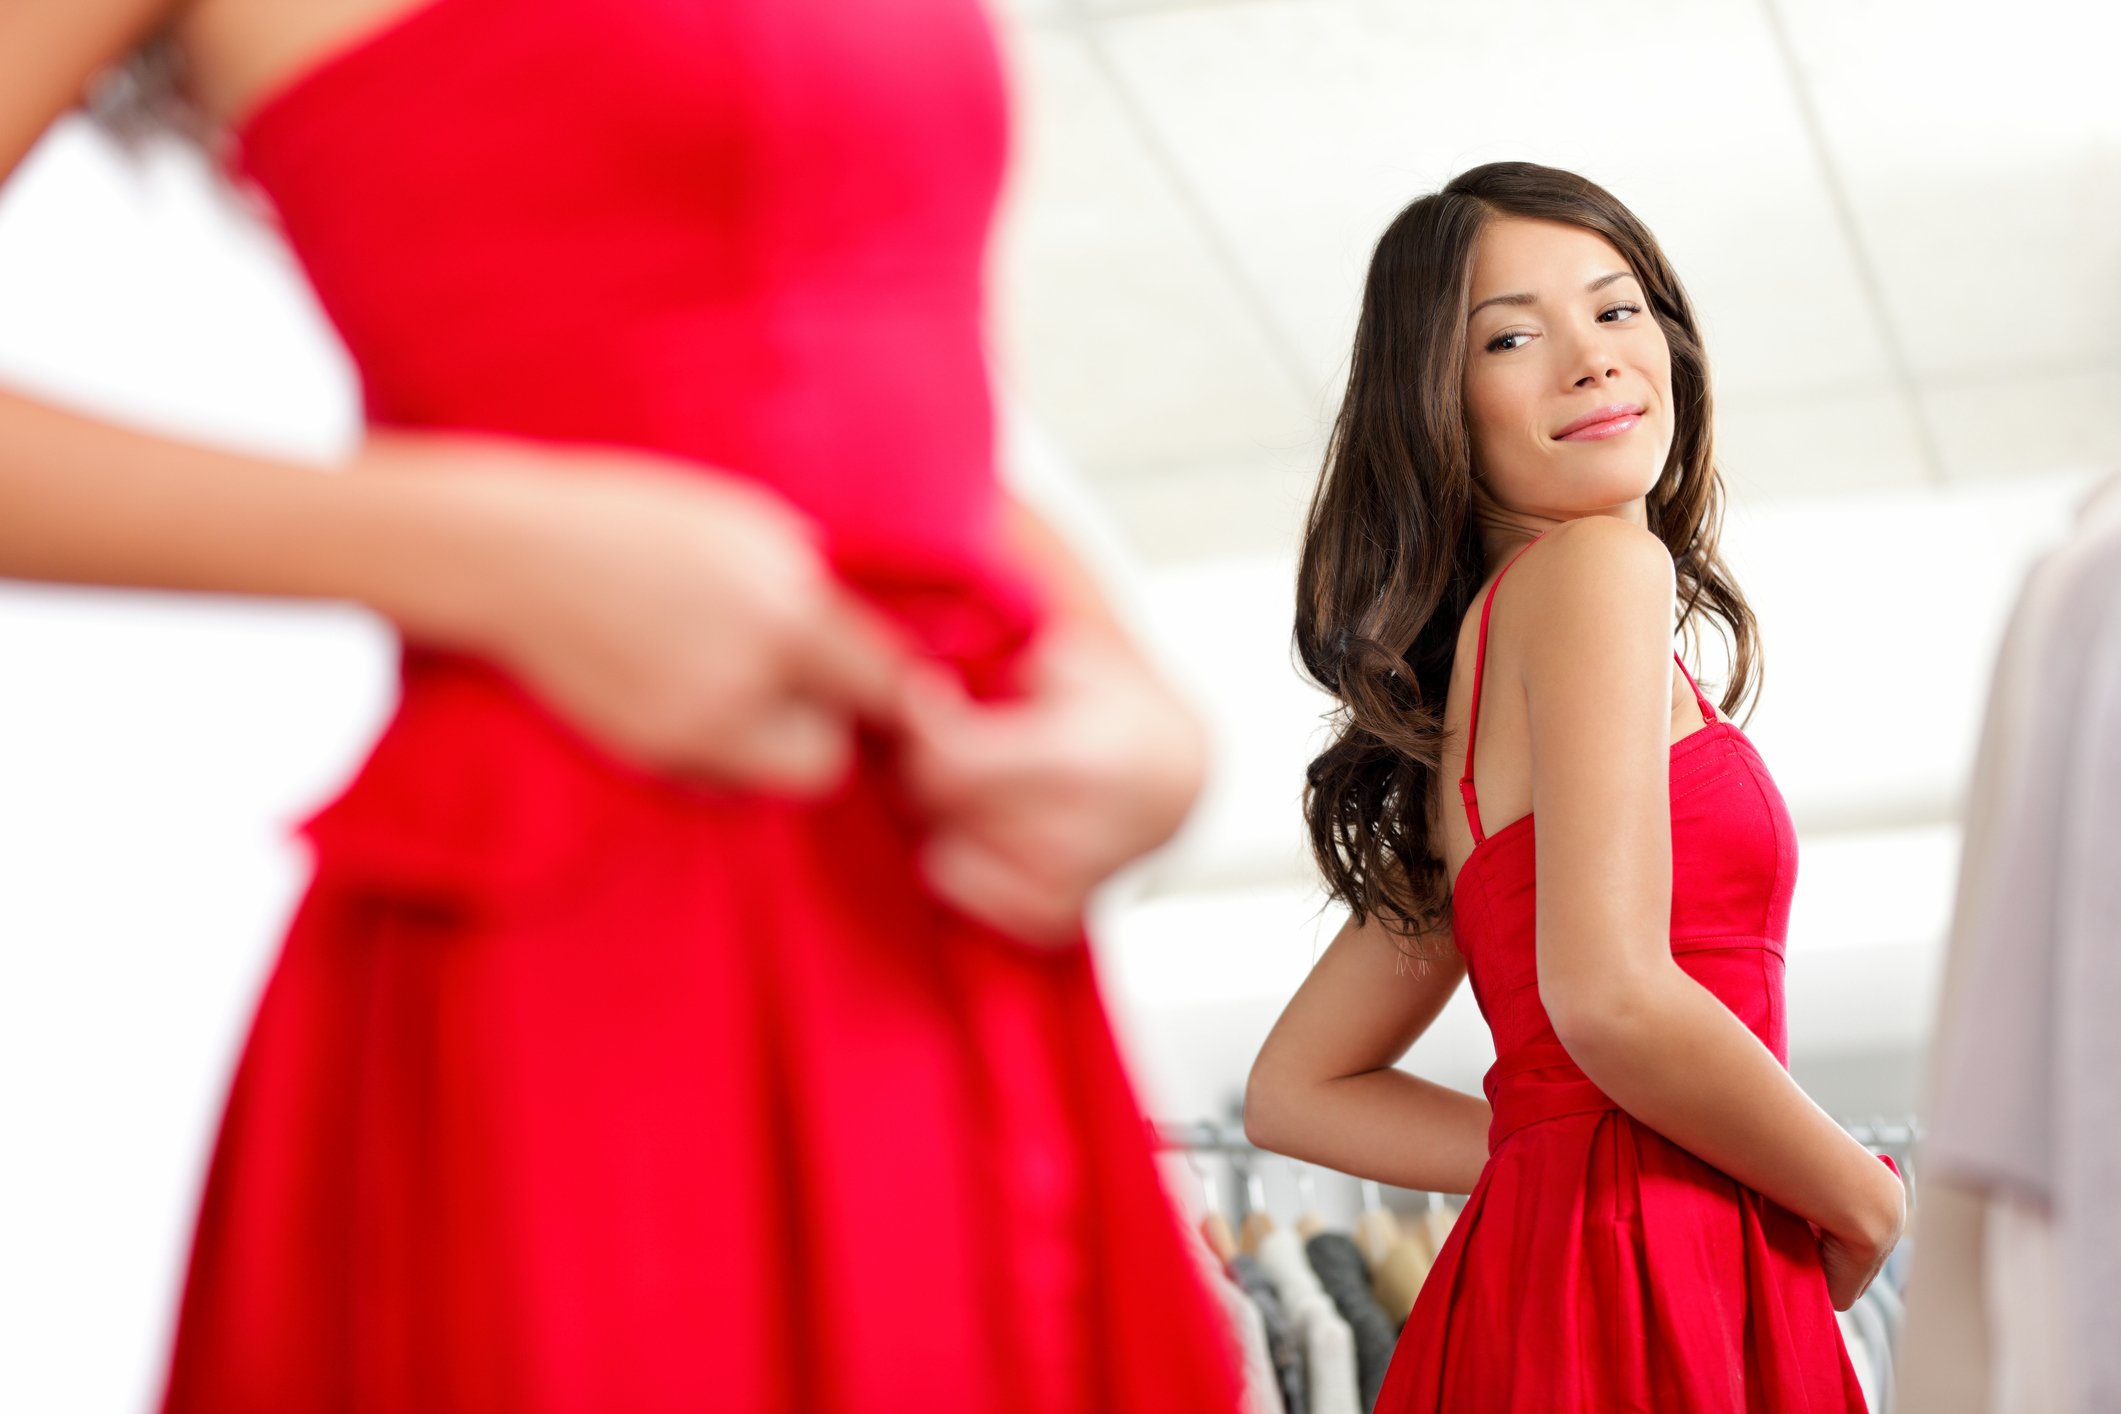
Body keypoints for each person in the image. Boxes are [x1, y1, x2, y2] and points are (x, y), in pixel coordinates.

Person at [0, 0, 1247, 1408]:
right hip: (590, 939)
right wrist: (491, 556)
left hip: (953, 928)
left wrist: (1129, 689)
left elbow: (876, 365)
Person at [1242, 160, 1907, 1410]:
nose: (1594, 359)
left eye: (1616, 309)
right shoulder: (1602, 567)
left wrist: (1556, 1141)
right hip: (1657, 1266)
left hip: (1540, 1277)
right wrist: (1862, 1191)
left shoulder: (1470, 707)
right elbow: (1611, 995)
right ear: (1439, 401)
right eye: (1510, 335)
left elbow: (1294, 1088)